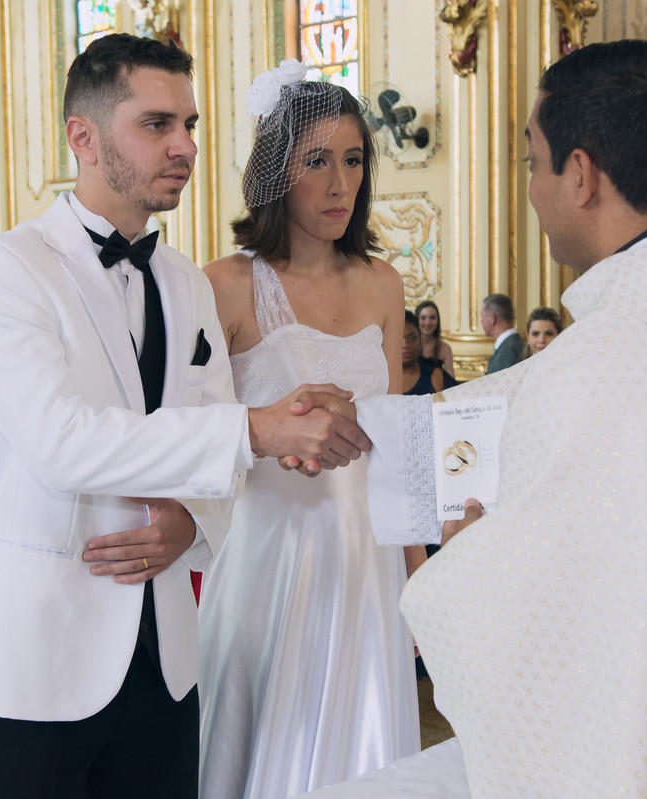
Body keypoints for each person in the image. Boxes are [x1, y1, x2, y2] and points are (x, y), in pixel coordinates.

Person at [0, 34, 369, 799]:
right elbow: (61, 443)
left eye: (191, 125)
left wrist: (192, 521)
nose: (185, 146)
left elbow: (205, 445)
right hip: (38, 657)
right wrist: (259, 428)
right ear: (84, 137)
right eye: (157, 124)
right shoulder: (1, 269)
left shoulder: (185, 283)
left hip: (168, 657)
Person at [350, 39, 647, 797]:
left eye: (533, 163)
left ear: (581, 176)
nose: (533, 189)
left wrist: (464, 562)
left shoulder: (589, 379)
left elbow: (523, 637)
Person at [198, 69, 419, 799]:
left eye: (353, 160)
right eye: (315, 160)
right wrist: (266, 434)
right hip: (273, 556)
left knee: (367, 746)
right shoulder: (225, 285)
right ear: (274, 170)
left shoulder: (385, 283)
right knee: (264, 743)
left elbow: (392, 443)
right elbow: (186, 432)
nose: (339, 182)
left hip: (369, 562)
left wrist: (420, 580)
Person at [401, 310, 456, 396]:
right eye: (399, 339)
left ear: (420, 343)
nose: (405, 345)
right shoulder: (379, 379)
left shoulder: (437, 377)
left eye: (412, 338)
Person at [413, 299, 455, 378]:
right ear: (416, 320)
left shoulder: (445, 348)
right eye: (423, 317)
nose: (428, 322)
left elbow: (451, 379)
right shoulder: (408, 346)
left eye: (432, 317)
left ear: (437, 320)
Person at [480, 293, 520, 373]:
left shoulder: (508, 350)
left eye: (482, 316)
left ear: (492, 318)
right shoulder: (512, 344)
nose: (481, 321)